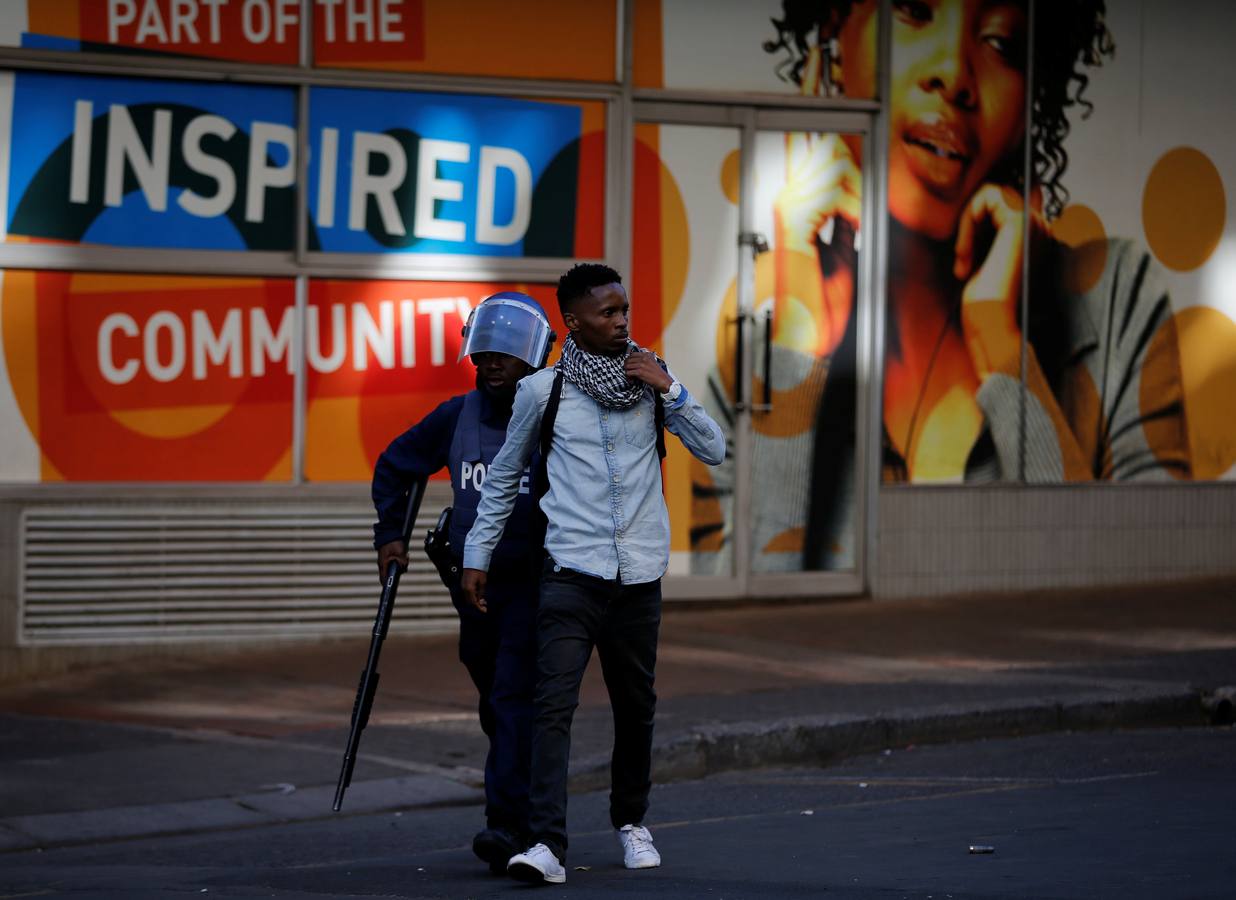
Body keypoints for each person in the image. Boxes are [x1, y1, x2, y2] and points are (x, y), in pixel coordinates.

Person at [759, 0, 1191, 568]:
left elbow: (1141, 576)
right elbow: (759, 590)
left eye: (1001, 44)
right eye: (913, 11)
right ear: (834, 44)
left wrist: (1003, 346)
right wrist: (801, 331)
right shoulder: (765, 315)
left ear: (1032, 102)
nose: (955, 75)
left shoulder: (1112, 298)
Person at [459, 263, 726, 885]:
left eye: (624, 309)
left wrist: (673, 391)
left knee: (637, 708)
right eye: (607, 313)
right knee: (552, 708)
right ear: (573, 323)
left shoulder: (650, 380)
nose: (621, 320)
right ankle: (546, 842)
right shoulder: (542, 392)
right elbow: (501, 481)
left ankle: (631, 821)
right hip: (571, 573)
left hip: (637, 579)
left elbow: (714, 448)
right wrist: (478, 556)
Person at [370, 291, 555, 873]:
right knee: (494, 697)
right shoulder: (456, 415)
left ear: (532, 359)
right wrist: (390, 533)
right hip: (472, 586)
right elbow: (396, 463)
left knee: (510, 696)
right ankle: (523, 797)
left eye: (507, 354)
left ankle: (508, 824)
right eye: (486, 354)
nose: (494, 363)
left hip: (532, 582)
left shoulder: (555, 416)